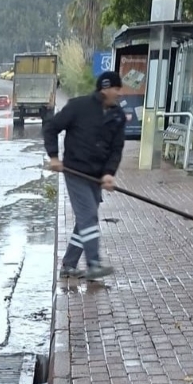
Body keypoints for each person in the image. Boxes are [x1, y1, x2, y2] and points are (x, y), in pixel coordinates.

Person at [43, 70, 127, 281]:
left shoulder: (117, 116)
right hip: (75, 171)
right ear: (105, 88)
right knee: (88, 215)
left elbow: (116, 149)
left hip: (96, 177)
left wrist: (109, 173)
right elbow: (51, 127)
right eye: (116, 89)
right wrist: (54, 156)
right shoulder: (79, 106)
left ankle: (69, 265)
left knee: (85, 221)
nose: (119, 93)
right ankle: (93, 264)